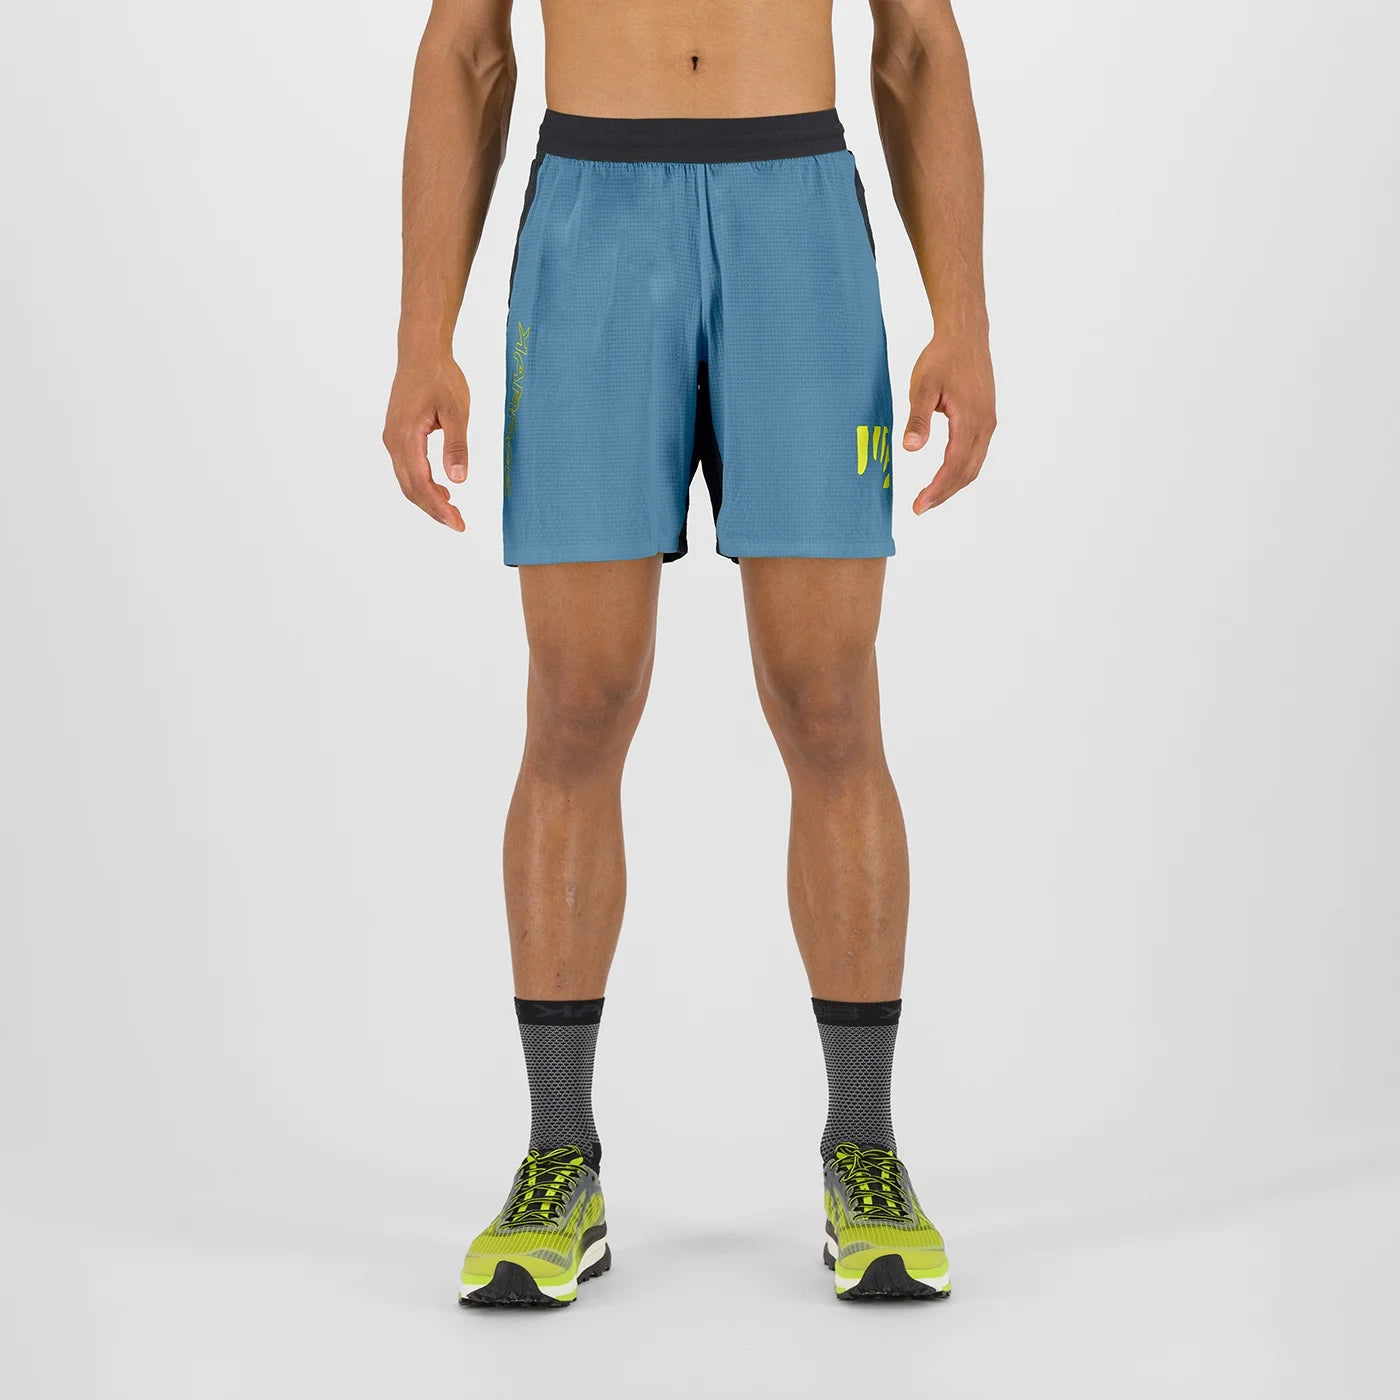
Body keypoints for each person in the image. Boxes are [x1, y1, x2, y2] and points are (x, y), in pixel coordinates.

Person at [383, 0, 995, 1306]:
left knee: (830, 702)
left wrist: (966, 316)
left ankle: (865, 1152)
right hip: (592, 219)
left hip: (798, 218)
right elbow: (466, 47)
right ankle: (560, 1159)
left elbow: (918, 42)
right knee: (575, 705)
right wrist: (420, 336)